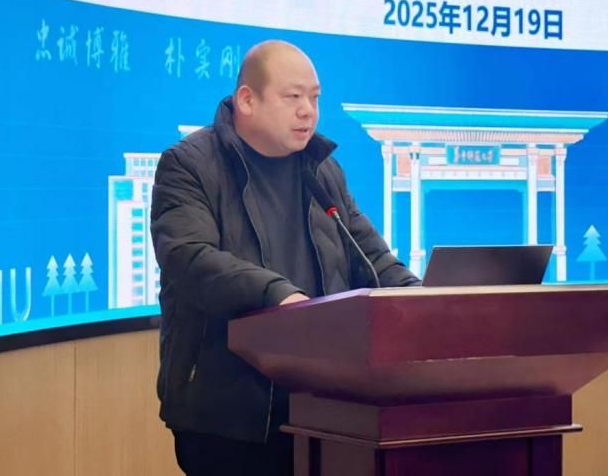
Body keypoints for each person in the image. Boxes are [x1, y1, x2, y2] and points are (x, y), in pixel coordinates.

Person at [150, 40, 420, 476]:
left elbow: (369, 258)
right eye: (293, 97)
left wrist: (421, 300)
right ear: (247, 100)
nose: (308, 111)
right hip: (228, 416)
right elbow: (189, 258)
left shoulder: (322, 170)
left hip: (323, 408)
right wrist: (280, 296)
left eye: (315, 98)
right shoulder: (189, 165)